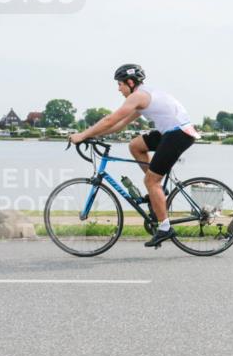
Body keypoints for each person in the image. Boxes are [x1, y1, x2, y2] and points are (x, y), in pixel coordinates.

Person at [70, 64, 199, 247]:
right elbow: (119, 125)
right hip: (172, 132)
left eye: (120, 84)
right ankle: (159, 190)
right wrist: (92, 135)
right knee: (136, 145)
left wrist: (82, 135)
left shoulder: (138, 96)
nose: (118, 89)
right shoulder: (143, 96)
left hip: (179, 134)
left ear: (130, 82)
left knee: (151, 181)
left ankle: (164, 228)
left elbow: (110, 119)